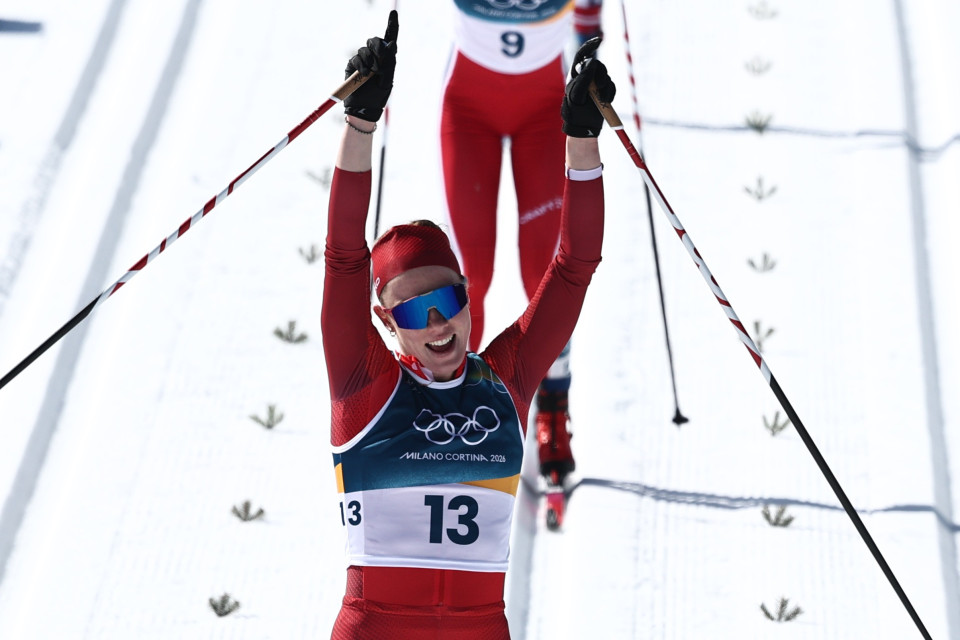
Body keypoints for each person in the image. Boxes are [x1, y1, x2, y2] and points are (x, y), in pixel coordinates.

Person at [322, 11, 615, 638]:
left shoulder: (504, 381)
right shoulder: (362, 384)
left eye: (448, 298)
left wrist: (582, 141)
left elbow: (573, 267)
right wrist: (359, 124)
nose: (437, 322)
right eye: (412, 310)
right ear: (386, 324)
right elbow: (345, 256)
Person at [442, 0, 603, 489]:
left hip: (545, 108)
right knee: (469, 277)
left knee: (544, 276)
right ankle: (455, 413)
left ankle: (553, 406)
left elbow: (590, 14)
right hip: (469, 107)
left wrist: (590, 53)